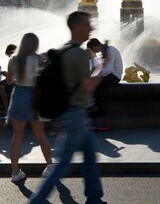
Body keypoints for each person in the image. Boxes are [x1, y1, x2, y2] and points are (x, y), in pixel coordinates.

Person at [30, 11, 105, 204]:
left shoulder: (63, 50)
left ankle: (94, 199)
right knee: (62, 164)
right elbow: (88, 87)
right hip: (76, 114)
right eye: (88, 24)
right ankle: (36, 201)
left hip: (69, 112)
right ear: (77, 27)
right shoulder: (80, 54)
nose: (91, 28)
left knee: (89, 157)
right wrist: (100, 67)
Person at [6, 33, 52, 182]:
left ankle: (15, 172)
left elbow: (8, 80)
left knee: (17, 136)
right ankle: (49, 167)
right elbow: (44, 75)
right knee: (40, 134)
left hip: (19, 95)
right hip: (34, 97)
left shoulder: (13, 59)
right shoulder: (37, 58)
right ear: (34, 45)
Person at [86, 38, 123, 116]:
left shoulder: (111, 50)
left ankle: (99, 111)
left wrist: (94, 77)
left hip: (115, 76)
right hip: (109, 75)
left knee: (96, 86)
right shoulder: (103, 51)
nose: (93, 52)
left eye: (93, 49)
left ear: (96, 46)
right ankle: (95, 109)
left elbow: (108, 70)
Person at [0, 44, 17, 114]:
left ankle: (7, 110)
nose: (9, 57)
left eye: (9, 55)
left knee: (1, 88)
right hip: (13, 80)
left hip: (16, 81)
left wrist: (7, 74)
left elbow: (14, 76)